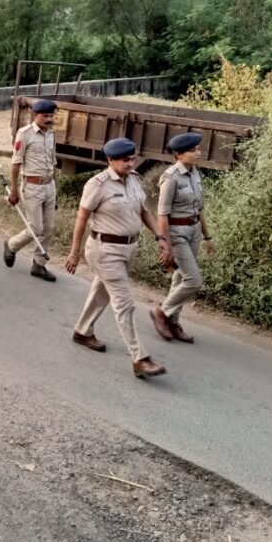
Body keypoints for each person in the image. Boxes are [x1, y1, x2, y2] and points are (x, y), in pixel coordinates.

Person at [65, 138, 173, 379]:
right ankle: (140, 358)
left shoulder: (133, 179)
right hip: (104, 250)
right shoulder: (97, 185)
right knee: (124, 303)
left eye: (133, 158)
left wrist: (160, 237)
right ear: (110, 160)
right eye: (125, 160)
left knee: (102, 291)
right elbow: (82, 218)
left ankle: (82, 331)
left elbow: (143, 211)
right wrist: (74, 252)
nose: (131, 163)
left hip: (128, 249)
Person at [151, 132, 214, 344]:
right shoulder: (170, 178)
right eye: (192, 150)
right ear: (179, 155)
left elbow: (200, 208)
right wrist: (165, 244)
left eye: (198, 149)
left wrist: (207, 237)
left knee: (179, 278)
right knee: (194, 281)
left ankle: (173, 322)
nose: (198, 153)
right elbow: (162, 214)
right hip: (177, 233)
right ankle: (162, 312)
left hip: (194, 230)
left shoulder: (195, 173)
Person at [3, 99, 58, 281]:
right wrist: (13, 191)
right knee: (36, 227)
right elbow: (16, 164)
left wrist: (55, 190)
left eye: (51, 116)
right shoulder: (24, 133)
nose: (49, 119)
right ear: (36, 115)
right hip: (32, 187)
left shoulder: (51, 134)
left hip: (49, 186)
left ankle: (38, 265)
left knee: (48, 228)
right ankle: (11, 245)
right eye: (45, 116)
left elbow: (53, 163)